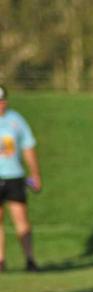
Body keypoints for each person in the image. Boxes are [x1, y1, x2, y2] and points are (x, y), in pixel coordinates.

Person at [0, 85, 42, 273]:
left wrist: (35, 173)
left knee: (21, 218)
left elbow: (28, 147)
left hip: (14, 176)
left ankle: (30, 259)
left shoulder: (16, 120)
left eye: (2, 101)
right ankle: (0, 260)